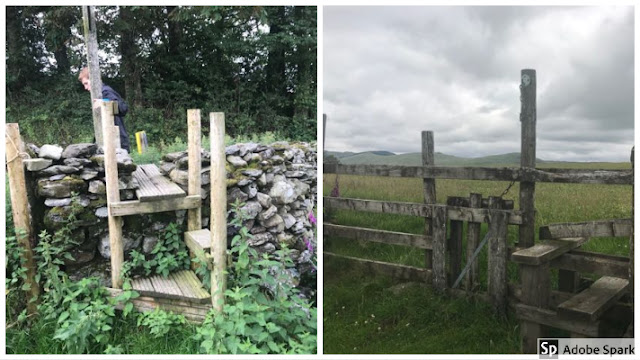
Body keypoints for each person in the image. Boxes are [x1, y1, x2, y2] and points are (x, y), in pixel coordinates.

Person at [78, 67, 131, 152]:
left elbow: (123, 108)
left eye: (86, 83)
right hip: (107, 140)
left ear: (93, 80)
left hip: (117, 143)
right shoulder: (99, 93)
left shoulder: (105, 91)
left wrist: (104, 102)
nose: (85, 87)